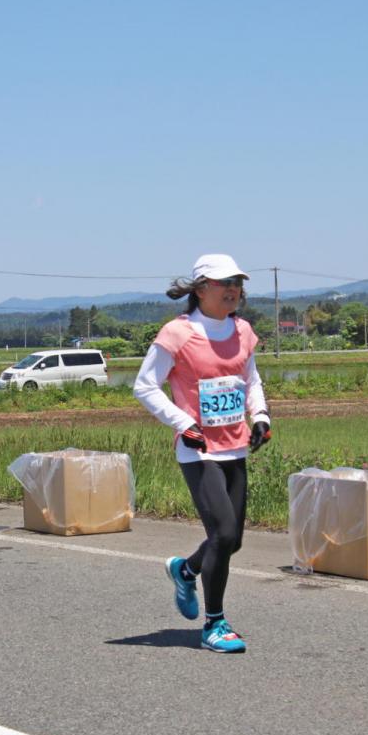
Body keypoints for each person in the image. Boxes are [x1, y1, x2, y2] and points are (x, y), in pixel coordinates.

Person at [133, 254, 271, 653]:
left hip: (235, 445)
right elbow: (145, 386)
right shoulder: (177, 333)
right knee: (223, 534)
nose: (233, 290)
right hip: (199, 450)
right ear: (200, 289)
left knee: (232, 541)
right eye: (224, 283)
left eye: (237, 283)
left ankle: (186, 569)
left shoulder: (242, 330)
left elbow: (250, 378)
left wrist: (260, 415)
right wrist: (183, 423)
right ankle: (214, 625)